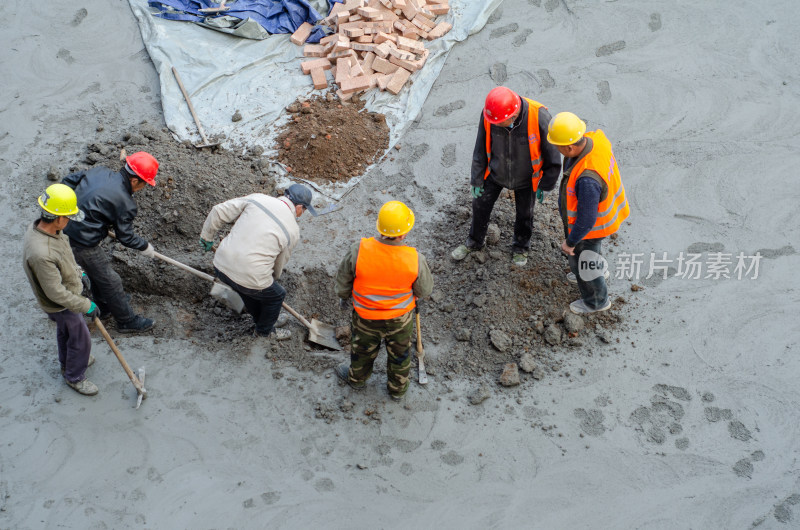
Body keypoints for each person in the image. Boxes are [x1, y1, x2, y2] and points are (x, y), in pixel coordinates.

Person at [451, 86, 561, 266]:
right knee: (480, 204)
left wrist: (546, 184)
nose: (495, 125)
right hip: (496, 172)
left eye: (499, 123)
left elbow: (553, 156)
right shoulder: (491, 115)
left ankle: (520, 247)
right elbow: (480, 147)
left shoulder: (539, 116)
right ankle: (475, 241)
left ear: (513, 114)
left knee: (525, 214)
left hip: (527, 178)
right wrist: (477, 178)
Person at [334, 201, 433, 401]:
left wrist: (344, 297)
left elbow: (344, 280)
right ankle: (397, 390)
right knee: (400, 354)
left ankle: (357, 380)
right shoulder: (414, 259)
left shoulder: (359, 249)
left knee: (361, 350)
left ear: (379, 228)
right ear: (404, 233)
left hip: (365, 318)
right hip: (399, 320)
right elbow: (423, 290)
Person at [199, 184, 317, 338]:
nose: (303, 213)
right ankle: (264, 332)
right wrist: (268, 280)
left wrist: (206, 237)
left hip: (220, 265)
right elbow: (279, 265)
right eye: (305, 210)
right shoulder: (292, 230)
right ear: (299, 207)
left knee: (250, 291)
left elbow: (218, 211)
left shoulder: (257, 198)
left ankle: (263, 320)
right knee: (275, 295)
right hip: (249, 275)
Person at [62, 151, 158, 333]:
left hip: (63, 229)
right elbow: (125, 236)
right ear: (135, 180)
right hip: (81, 242)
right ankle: (126, 321)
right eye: (145, 184)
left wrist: (72, 210)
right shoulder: (126, 203)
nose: (143, 188)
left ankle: (104, 306)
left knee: (97, 274)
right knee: (110, 281)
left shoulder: (99, 171)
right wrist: (145, 246)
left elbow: (67, 182)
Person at [546, 111, 630, 314]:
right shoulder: (595, 139)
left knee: (585, 263)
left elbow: (587, 219)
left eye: (557, 147)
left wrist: (571, 242)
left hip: (589, 228)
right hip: (600, 220)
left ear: (570, 146)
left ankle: (596, 301)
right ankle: (596, 268)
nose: (556, 150)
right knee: (592, 254)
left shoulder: (586, 178)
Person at [23, 184, 101, 396]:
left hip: (67, 295)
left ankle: (69, 361)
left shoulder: (46, 229)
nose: (68, 222)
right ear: (58, 218)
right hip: (60, 304)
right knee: (80, 337)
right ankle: (74, 376)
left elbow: (64, 256)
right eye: (67, 217)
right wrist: (86, 305)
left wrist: (79, 272)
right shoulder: (42, 252)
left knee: (66, 331)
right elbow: (55, 292)